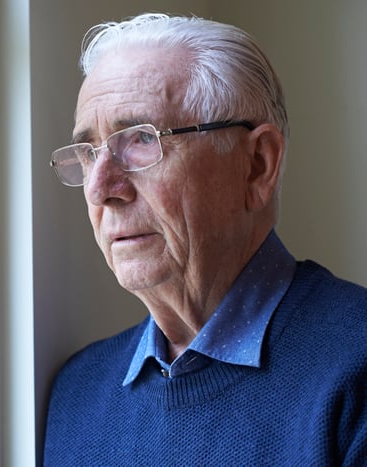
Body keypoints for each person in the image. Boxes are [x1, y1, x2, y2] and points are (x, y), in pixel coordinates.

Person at [44, 13, 367, 465]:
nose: (100, 188)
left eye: (140, 139)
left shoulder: (355, 363)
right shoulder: (78, 392)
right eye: (89, 153)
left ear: (257, 165)